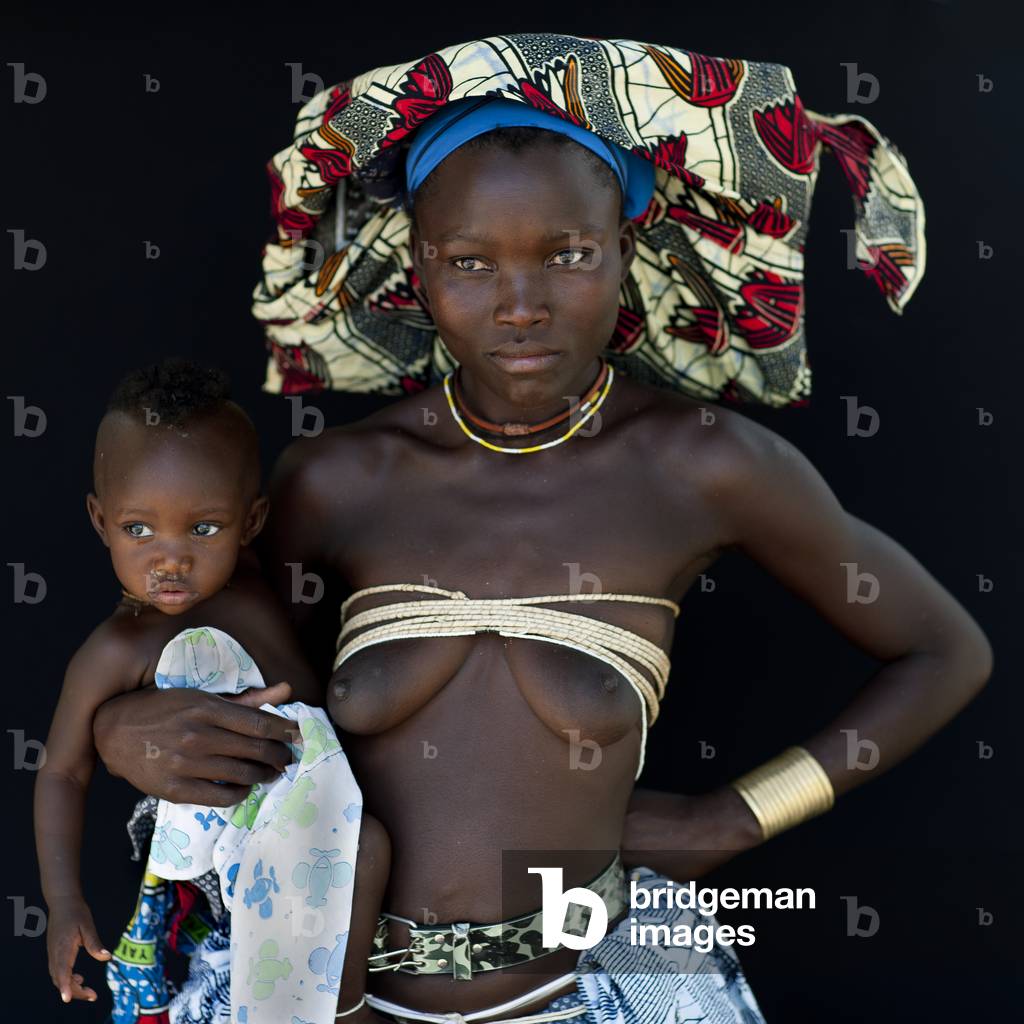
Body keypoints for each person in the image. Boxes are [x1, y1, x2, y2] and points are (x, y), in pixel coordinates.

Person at [91, 35, 992, 1024]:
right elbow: (221, 673)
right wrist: (120, 727)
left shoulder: (697, 464)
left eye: (566, 254)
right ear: (417, 270)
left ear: (623, 250)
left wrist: (734, 818)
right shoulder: (340, 480)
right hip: (327, 997)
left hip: (587, 991)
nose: (519, 306)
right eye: (469, 261)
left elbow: (944, 649)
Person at [34, 360, 390, 1022]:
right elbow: (60, 771)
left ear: (251, 522)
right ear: (100, 519)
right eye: (139, 529)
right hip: (233, 866)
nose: (171, 557)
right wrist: (64, 901)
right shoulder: (118, 648)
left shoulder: (257, 587)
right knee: (364, 853)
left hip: (320, 818)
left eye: (203, 528)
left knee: (367, 854)